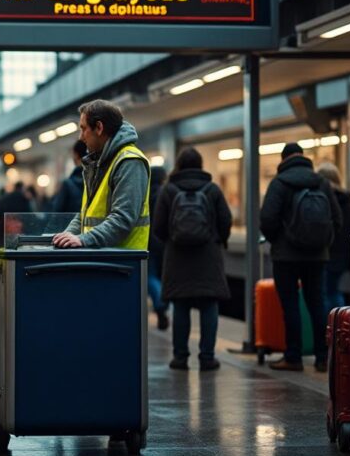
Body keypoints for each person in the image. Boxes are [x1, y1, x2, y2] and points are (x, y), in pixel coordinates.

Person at [259, 142, 342, 373]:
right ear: (303, 157)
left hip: (286, 257)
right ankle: (322, 357)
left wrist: (279, 241)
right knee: (317, 303)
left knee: (290, 305)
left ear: (283, 159)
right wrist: (323, 243)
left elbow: (267, 219)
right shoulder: (322, 182)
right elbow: (337, 218)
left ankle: (293, 357)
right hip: (317, 256)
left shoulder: (279, 183)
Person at [153, 148, 232, 371]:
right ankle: (207, 357)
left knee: (181, 306)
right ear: (200, 164)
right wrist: (217, 239)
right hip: (208, 256)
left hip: (178, 257)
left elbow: (158, 226)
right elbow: (225, 220)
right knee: (209, 306)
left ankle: (180, 357)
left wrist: (172, 239)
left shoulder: (168, 190)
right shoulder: (212, 189)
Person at [52, 100, 150, 250]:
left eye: (83, 129)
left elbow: (123, 218)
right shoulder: (100, 161)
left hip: (124, 262)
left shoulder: (129, 161)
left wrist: (84, 240)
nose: (80, 137)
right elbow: (85, 215)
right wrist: (66, 236)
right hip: (102, 257)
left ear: (99, 127)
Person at [317, 162, 350, 317]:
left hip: (327, 253)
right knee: (333, 291)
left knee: (327, 293)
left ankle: (331, 328)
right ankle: (339, 326)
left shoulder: (323, 198)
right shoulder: (347, 201)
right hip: (342, 255)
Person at [147, 165, 169, 330]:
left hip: (148, 241)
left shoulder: (145, 194)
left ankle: (160, 305)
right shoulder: (167, 193)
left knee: (150, 276)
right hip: (165, 242)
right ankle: (164, 303)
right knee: (163, 276)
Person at [49, 140, 87, 213]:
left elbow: (57, 211)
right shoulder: (94, 179)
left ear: (76, 155)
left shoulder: (67, 184)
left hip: (71, 223)